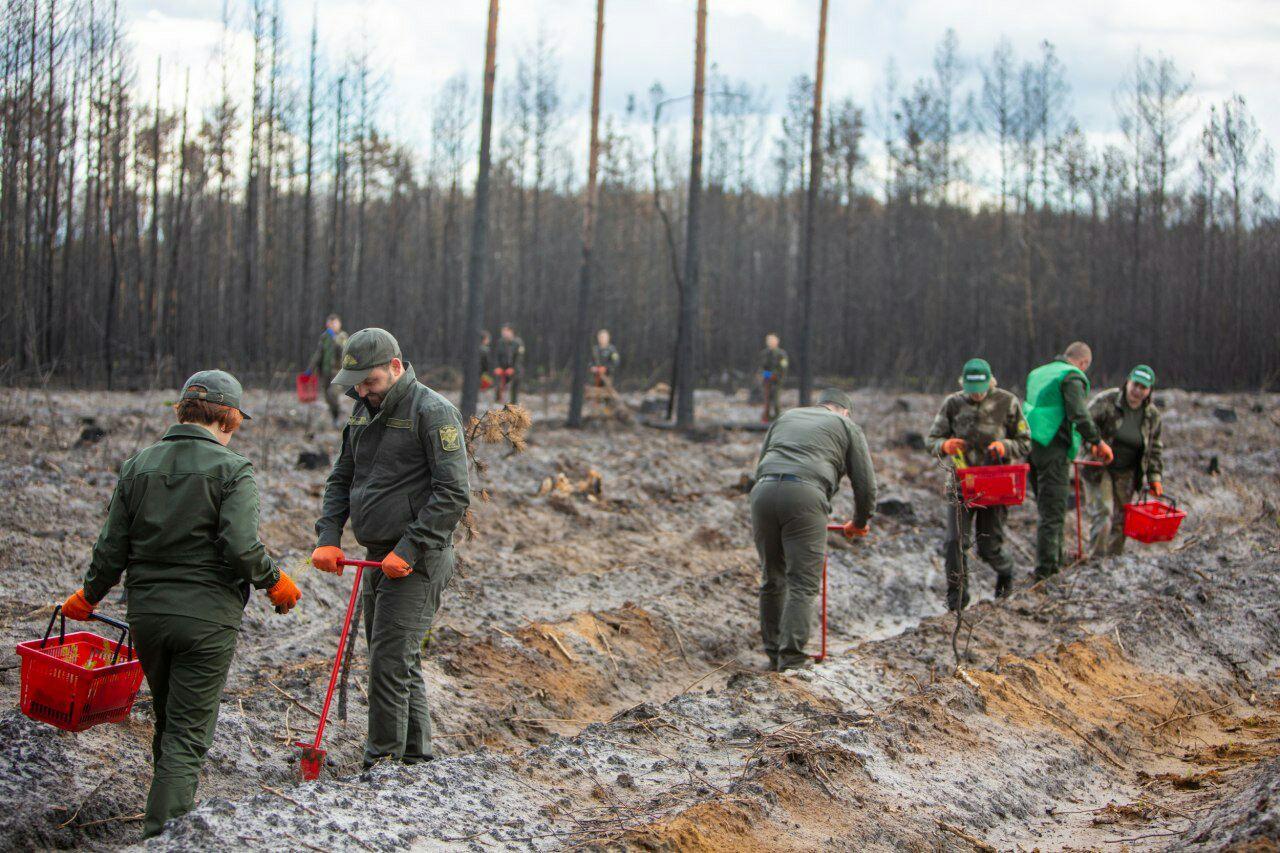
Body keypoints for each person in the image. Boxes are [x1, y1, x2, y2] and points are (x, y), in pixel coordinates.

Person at [60, 370, 301, 839]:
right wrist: (274, 581)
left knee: (170, 721)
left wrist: (87, 596)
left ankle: (165, 815)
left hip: (147, 616)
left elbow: (112, 548)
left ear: (182, 411)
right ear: (230, 419)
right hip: (207, 622)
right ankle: (162, 837)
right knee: (188, 737)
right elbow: (240, 544)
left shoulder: (138, 466)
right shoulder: (234, 470)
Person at [311, 328, 470, 768]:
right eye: (356, 383)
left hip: (417, 559)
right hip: (376, 556)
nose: (363, 391)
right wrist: (328, 537)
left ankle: (379, 766)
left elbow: (453, 493)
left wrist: (410, 548)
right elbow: (341, 479)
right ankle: (415, 761)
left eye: (371, 381)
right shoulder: (361, 415)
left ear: (396, 368)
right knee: (399, 660)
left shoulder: (433, 412)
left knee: (387, 661)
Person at [750, 388, 876, 671]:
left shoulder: (786, 416)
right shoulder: (846, 425)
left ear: (820, 405)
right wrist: (860, 522)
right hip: (806, 497)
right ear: (845, 411)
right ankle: (792, 659)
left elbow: (760, 465)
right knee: (802, 582)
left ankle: (773, 653)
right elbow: (865, 483)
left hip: (763, 492)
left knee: (772, 576)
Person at [926, 358, 1032, 609]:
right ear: (964, 385)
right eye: (971, 389)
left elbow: (1026, 442)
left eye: (981, 388)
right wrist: (944, 445)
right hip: (961, 482)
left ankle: (1006, 573)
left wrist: (1004, 446)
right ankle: (957, 602)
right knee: (954, 542)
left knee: (988, 547)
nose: (976, 394)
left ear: (990, 382)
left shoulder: (1007, 402)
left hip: (995, 483)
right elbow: (932, 440)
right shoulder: (953, 404)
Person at [1024, 342, 1111, 580]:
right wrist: (1097, 441)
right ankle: (1047, 571)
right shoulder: (1072, 377)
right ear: (1084, 363)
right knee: (1053, 511)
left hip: (1032, 446)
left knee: (1045, 506)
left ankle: (1056, 558)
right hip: (1054, 448)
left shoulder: (1039, 373)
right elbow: (1078, 413)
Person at [1086, 364, 1164, 556]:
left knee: (1122, 519)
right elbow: (1084, 423)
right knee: (1105, 512)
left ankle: (1114, 561)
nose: (1137, 391)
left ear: (1149, 391)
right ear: (1127, 382)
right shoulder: (1107, 401)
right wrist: (1093, 444)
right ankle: (1095, 560)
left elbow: (1154, 448)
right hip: (1099, 466)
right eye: (1135, 385)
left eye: (1143, 388)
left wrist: (1154, 476)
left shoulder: (1151, 416)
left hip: (1128, 472)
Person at [307, 313, 350, 427]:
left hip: (337, 372)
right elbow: (319, 354)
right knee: (327, 396)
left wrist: (335, 339)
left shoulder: (343, 336)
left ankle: (337, 416)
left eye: (334, 323)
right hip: (325, 372)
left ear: (339, 324)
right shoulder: (324, 337)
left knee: (333, 394)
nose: (331, 326)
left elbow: (344, 352)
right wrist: (310, 369)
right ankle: (334, 417)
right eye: (329, 323)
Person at [759, 333, 789, 422]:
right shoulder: (764, 353)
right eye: (769, 341)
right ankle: (766, 418)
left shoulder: (781, 354)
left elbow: (784, 368)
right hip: (767, 380)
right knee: (766, 400)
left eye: (773, 341)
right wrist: (766, 375)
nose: (771, 343)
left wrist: (778, 378)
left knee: (776, 401)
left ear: (777, 342)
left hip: (777, 380)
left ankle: (778, 418)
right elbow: (761, 368)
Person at [493, 324, 525, 403]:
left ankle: (513, 404)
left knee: (514, 388)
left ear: (511, 332)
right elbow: (496, 356)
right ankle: (498, 401)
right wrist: (497, 367)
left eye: (506, 331)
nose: (504, 333)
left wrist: (513, 368)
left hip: (515, 369)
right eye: (503, 331)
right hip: (503, 369)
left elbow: (519, 358)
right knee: (498, 383)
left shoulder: (518, 343)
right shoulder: (500, 342)